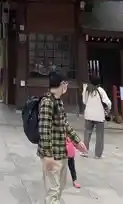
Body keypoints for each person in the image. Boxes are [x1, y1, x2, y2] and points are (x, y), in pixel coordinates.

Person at [38, 71, 86, 204]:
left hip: (62, 152)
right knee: (53, 190)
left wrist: (77, 141)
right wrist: (47, 155)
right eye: (65, 83)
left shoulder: (58, 102)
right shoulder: (47, 102)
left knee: (60, 188)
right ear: (60, 84)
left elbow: (65, 124)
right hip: (52, 154)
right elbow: (44, 129)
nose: (66, 86)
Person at [82, 75, 112, 159]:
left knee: (87, 133)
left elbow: (84, 101)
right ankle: (97, 154)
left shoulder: (87, 89)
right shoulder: (101, 90)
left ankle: (84, 151)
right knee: (99, 135)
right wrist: (108, 110)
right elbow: (108, 102)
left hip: (89, 114)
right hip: (99, 116)